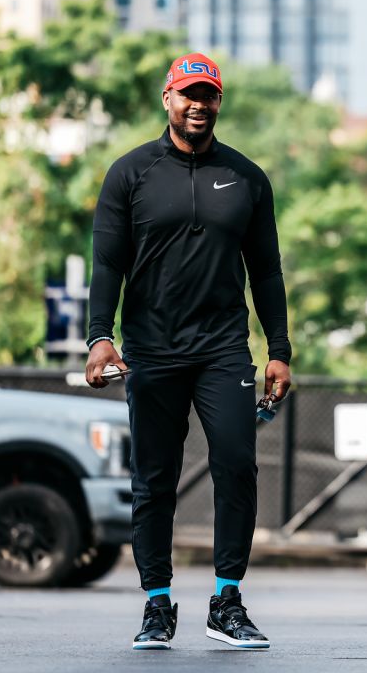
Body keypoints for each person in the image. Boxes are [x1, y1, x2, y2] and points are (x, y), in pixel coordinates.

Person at [84, 52, 292, 651]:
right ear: (168, 99)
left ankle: (227, 601)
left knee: (237, 466)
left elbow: (268, 273)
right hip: (151, 349)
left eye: (209, 95)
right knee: (153, 479)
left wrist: (277, 349)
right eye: (188, 94)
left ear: (219, 102)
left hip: (224, 348)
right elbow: (108, 264)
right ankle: (156, 604)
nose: (199, 105)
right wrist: (101, 335)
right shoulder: (130, 174)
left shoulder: (248, 178)